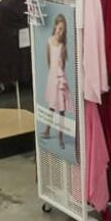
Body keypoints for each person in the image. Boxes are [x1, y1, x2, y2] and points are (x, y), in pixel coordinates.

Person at [41, 14, 70, 146]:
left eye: (62, 29)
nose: (59, 31)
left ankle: (61, 137)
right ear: (55, 27)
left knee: (62, 109)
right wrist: (52, 73)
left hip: (60, 79)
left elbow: (62, 65)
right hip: (52, 78)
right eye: (58, 28)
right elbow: (48, 60)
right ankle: (47, 130)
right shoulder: (49, 41)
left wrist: (59, 75)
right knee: (52, 106)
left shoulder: (62, 46)